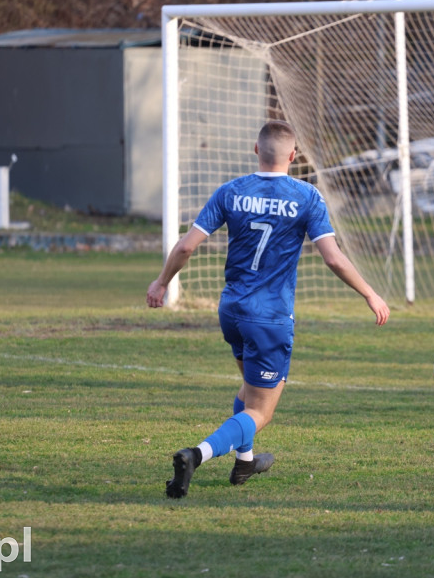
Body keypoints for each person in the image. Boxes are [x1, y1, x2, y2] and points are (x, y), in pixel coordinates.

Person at [146, 120, 390, 498]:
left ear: (256, 150)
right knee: (262, 411)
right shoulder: (307, 197)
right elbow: (334, 259)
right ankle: (196, 453)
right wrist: (370, 293)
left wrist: (162, 282)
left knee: (248, 390)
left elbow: (185, 247)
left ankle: (245, 462)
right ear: (294, 156)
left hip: (231, 309)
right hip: (270, 317)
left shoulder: (230, 191)